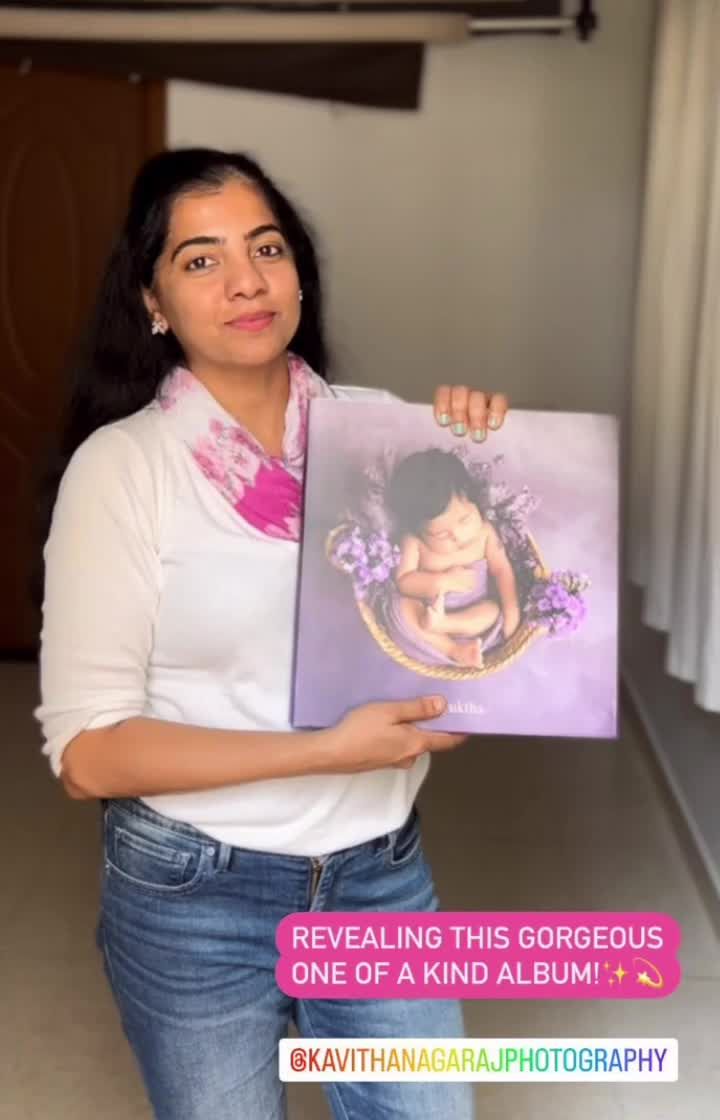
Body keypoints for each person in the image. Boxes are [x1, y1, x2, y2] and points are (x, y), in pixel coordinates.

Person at [34, 147, 509, 1120]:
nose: (246, 280)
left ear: (299, 273)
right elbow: (88, 756)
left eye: (266, 247)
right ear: (153, 300)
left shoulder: (388, 438)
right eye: (201, 259)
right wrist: (327, 749)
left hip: (379, 874)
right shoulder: (123, 469)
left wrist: (493, 454)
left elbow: (458, 633)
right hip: (193, 894)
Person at [383, 449, 521, 668]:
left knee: (492, 611)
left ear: (475, 503)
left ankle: (445, 625)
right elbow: (403, 582)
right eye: (441, 535)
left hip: (472, 618)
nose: (458, 536)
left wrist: (511, 608)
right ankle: (454, 650)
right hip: (426, 618)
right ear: (418, 530)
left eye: (464, 520)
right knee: (400, 608)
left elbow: (502, 570)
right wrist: (442, 582)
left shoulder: (485, 533)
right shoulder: (414, 543)